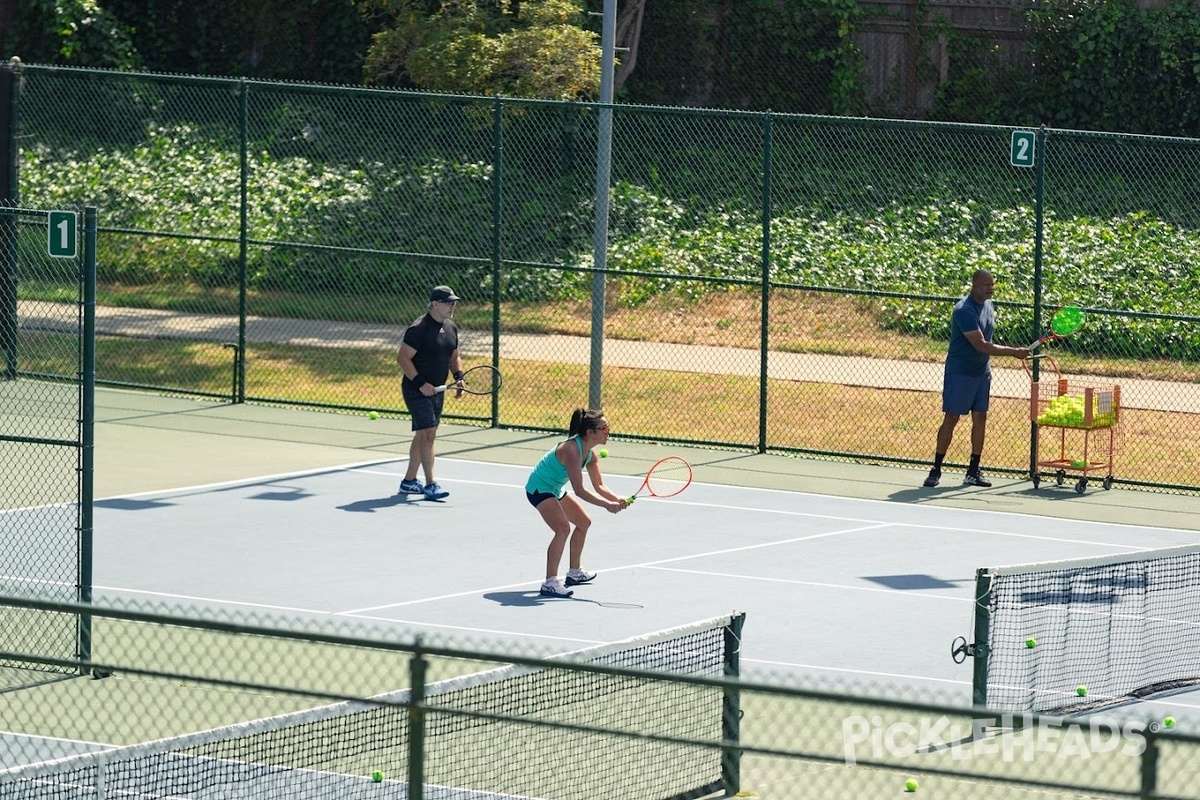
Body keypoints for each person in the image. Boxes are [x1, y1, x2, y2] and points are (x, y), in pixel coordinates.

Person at [924, 270, 1030, 488]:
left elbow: (987, 342)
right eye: (985, 285)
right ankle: (935, 469)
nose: (990, 288)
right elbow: (981, 345)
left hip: (982, 372)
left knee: (980, 417)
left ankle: (973, 470)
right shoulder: (964, 310)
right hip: (960, 372)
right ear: (974, 285)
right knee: (952, 417)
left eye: (992, 284)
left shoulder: (989, 305)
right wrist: (1013, 352)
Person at [525, 408, 627, 598]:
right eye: (604, 428)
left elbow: (599, 485)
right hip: (539, 488)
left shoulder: (590, 455)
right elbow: (580, 490)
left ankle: (574, 573)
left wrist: (616, 499)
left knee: (583, 522)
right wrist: (606, 505)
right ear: (590, 432)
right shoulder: (572, 449)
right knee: (562, 528)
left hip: (555, 488)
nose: (608, 431)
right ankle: (550, 582)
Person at [397, 285, 465, 501]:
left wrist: (459, 377)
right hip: (416, 390)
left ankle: (408, 482)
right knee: (428, 434)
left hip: (438, 390)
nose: (452, 306)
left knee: (423, 434)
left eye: (454, 302)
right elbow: (403, 358)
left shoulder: (451, 327)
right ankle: (430, 484)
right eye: (448, 302)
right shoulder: (419, 329)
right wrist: (420, 383)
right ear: (435, 304)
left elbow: (454, 357)